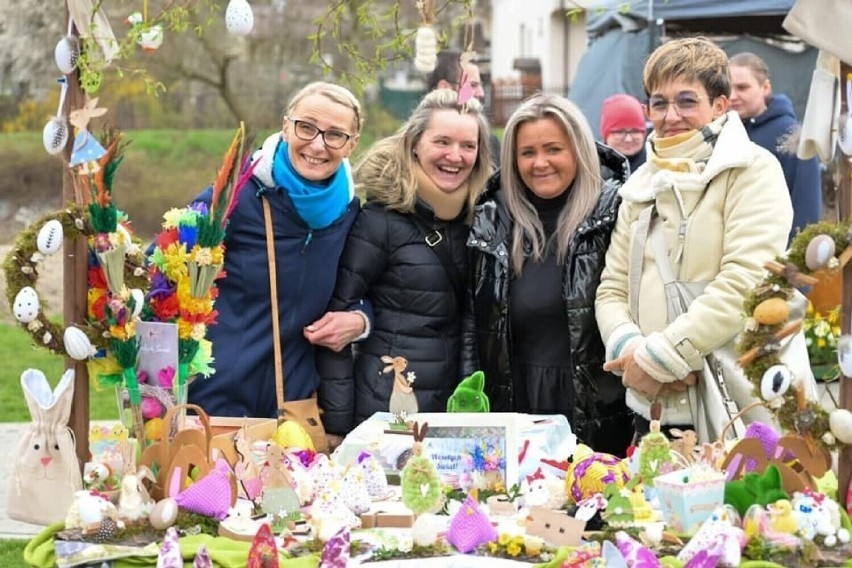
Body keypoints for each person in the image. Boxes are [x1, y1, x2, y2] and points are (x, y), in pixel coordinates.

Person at [595, 38, 793, 438]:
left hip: (732, 401)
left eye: (687, 101)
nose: (671, 116)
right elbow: (611, 289)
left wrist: (662, 357)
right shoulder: (639, 186)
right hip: (652, 406)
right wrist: (630, 350)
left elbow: (746, 281)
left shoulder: (752, 170)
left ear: (720, 105)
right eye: (659, 103)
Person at [310, 89, 493, 443]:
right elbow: (335, 323)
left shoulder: (483, 220)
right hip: (388, 407)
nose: (455, 156)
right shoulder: (381, 221)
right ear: (414, 144)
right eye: (442, 141)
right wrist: (338, 425)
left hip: (456, 409)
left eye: (468, 146)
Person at [460, 93, 634, 457]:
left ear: (579, 150)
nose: (540, 163)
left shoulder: (617, 212)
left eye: (554, 149)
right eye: (527, 153)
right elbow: (473, 323)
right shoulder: (492, 219)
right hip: (515, 404)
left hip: (596, 409)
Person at [188, 81, 363, 418]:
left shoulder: (350, 213)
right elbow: (164, 266)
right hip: (217, 397)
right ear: (286, 126)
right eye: (306, 127)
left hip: (294, 403)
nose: (317, 144)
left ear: (352, 144)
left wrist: (359, 319)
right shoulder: (234, 197)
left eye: (334, 135)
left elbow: (367, 285)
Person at [729, 51, 822, 241]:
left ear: (765, 87)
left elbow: (806, 203)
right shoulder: (721, 134)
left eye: (742, 87)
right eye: (727, 88)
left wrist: (794, 256)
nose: (732, 96)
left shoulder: (791, 135)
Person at [428, 50, 502, 169]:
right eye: (473, 85)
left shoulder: (490, 144)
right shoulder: (414, 139)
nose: (481, 93)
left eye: (469, 146)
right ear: (444, 88)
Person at [599, 93, 648, 172]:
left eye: (635, 131)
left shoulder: (657, 167)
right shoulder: (590, 169)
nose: (628, 139)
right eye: (620, 132)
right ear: (605, 134)